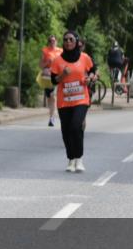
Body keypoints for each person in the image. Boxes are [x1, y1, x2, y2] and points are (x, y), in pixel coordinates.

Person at [49, 30, 97, 173]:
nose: (68, 42)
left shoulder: (84, 58)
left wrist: (91, 78)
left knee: (76, 126)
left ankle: (79, 159)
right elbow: (53, 80)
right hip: (64, 102)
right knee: (66, 131)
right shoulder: (58, 60)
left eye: (71, 39)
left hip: (81, 99)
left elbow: (93, 70)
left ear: (76, 42)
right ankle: (71, 159)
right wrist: (63, 74)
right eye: (65, 40)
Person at [39, 35, 62, 127]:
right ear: (48, 42)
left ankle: (52, 117)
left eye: (53, 40)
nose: (52, 42)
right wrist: (46, 63)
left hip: (58, 76)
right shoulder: (45, 51)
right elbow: (40, 65)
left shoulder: (61, 51)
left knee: (53, 96)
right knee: (49, 97)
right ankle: (51, 114)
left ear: (56, 41)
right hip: (48, 76)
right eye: (50, 41)